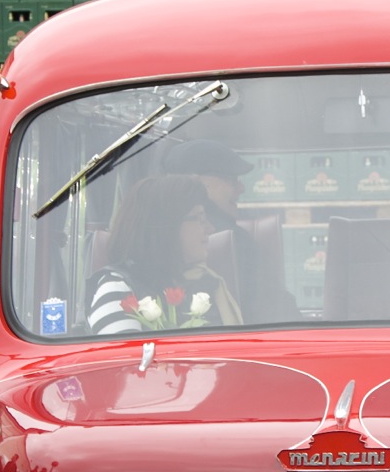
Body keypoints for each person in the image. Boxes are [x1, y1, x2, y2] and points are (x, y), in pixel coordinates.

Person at [160, 139, 298, 322]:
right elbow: (274, 309)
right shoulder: (236, 240)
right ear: (197, 182)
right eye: (231, 179)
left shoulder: (153, 238)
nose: (241, 188)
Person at [87, 174, 242, 335]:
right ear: (166, 227)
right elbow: (123, 352)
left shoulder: (207, 282)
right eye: (199, 218)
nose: (210, 229)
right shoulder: (118, 290)